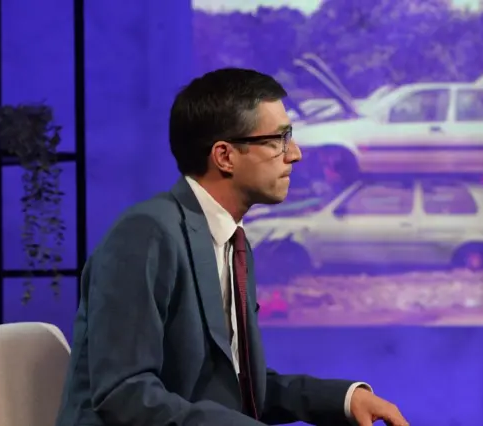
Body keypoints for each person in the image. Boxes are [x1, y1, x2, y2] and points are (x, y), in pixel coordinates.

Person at [55, 68, 409, 426]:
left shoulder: (232, 242)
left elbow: (242, 391)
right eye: (279, 140)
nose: (296, 154)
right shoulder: (146, 234)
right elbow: (124, 393)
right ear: (224, 156)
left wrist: (346, 400)